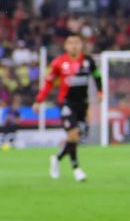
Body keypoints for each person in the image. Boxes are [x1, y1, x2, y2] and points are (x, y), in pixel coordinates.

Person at [33, 35, 101, 182]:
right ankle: (76, 169)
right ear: (65, 46)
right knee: (73, 134)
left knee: (75, 139)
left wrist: (100, 92)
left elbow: (97, 76)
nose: (74, 46)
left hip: (83, 104)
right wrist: (39, 101)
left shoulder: (88, 61)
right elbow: (48, 83)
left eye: (77, 42)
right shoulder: (58, 63)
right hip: (66, 103)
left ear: (82, 45)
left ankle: (56, 158)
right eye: (71, 43)